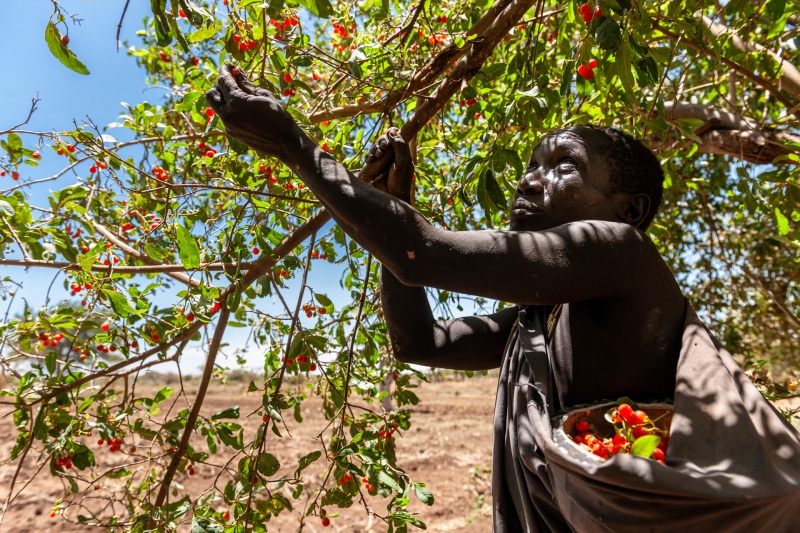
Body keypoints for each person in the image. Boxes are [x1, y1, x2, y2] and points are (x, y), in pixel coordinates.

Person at [206, 65, 800, 532]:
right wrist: (398, 220)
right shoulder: (540, 320)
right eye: (532, 164)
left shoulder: (621, 250)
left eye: (565, 165)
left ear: (630, 210)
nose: (530, 178)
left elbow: (422, 254)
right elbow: (421, 342)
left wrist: (291, 143)